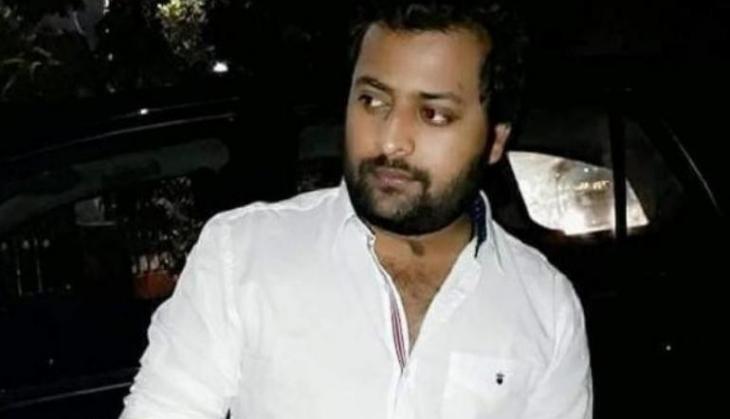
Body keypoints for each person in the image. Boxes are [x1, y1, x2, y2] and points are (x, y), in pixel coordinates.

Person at [120, 1, 593, 418]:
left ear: (495, 140)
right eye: (373, 101)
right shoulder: (241, 254)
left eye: (433, 114)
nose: (391, 140)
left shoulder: (545, 308)